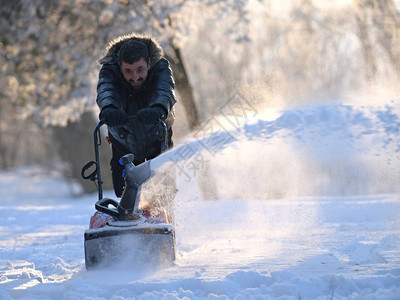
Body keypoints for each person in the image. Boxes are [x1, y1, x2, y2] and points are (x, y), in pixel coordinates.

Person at [96, 33, 177, 197]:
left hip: (158, 137)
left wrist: (159, 109)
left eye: (140, 70)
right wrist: (109, 109)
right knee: (124, 190)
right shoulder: (109, 71)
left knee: (164, 189)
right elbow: (107, 91)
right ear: (119, 66)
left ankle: (164, 215)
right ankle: (129, 215)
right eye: (128, 71)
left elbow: (164, 91)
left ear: (149, 63)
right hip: (123, 138)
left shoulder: (160, 67)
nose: (135, 77)